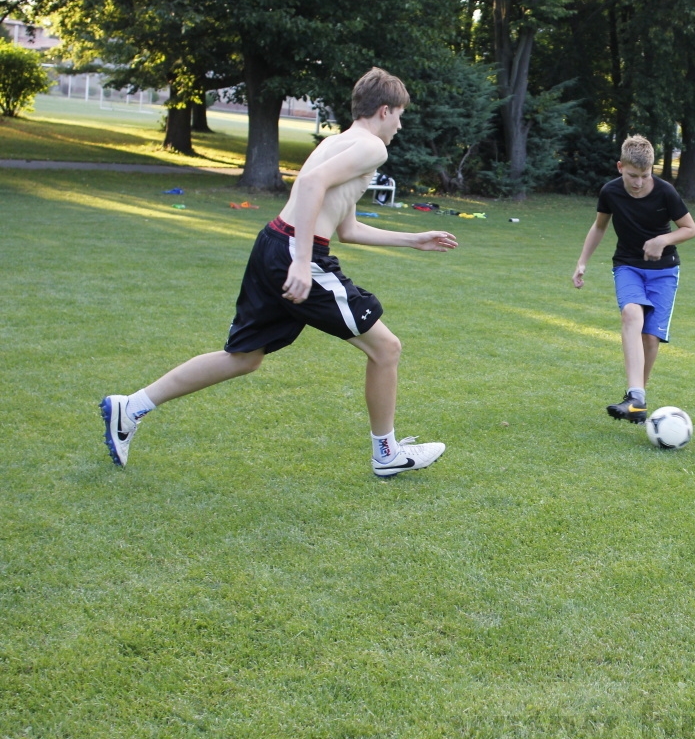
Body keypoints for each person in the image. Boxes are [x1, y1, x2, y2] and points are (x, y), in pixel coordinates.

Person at [100, 68, 457, 477]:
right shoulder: (372, 148)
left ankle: (132, 406)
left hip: (273, 243)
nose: (400, 124)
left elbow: (348, 229)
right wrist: (303, 263)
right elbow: (309, 186)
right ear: (384, 110)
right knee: (386, 348)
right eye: (400, 115)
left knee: (245, 357)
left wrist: (414, 239)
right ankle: (386, 454)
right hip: (293, 251)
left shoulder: (337, 143)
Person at [572, 134, 695, 423]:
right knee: (631, 313)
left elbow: (690, 229)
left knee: (650, 337)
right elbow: (599, 227)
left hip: (664, 271)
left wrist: (662, 240)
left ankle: (638, 400)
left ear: (651, 170)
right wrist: (582, 262)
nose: (638, 182)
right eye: (632, 175)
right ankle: (636, 395)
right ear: (620, 167)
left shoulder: (665, 192)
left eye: (644, 175)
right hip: (628, 265)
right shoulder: (611, 192)